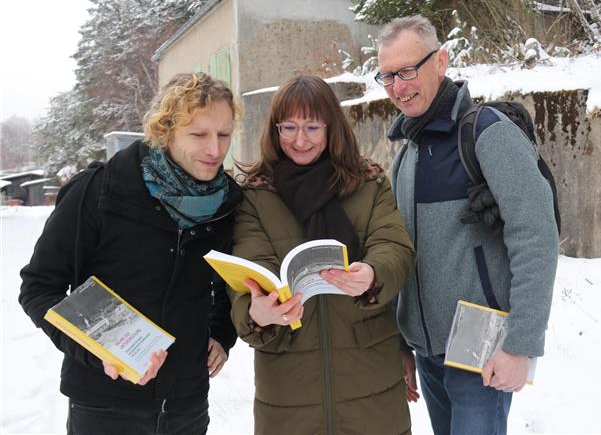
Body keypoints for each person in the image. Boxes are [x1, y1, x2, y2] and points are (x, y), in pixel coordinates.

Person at [19, 72, 242, 435]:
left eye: (224, 134)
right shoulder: (98, 191)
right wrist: (97, 352)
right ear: (165, 130)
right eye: (198, 134)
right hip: (104, 405)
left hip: (187, 406)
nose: (215, 150)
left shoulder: (225, 204)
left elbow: (225, 284)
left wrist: (221, 332)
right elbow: (39, 288)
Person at [376, 15, 560, 435]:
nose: (398, 88)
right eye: (387, 77)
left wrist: (521, 345)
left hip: (482, 351)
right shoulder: (407, 154)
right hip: (429, 353)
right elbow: (401, 253)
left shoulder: (487, 133)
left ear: (441, 61)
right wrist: (404, 343)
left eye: (407, 71)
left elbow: (536, 235)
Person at [228, 74, 415, 435]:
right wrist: (256, 311)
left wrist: (373, 274)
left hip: (371, 387)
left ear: (332, 127)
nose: (300, 140)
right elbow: (251, 270)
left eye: (312, 127)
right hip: (289, 394)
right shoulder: (256, 197)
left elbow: (395, 248)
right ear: (274, 129)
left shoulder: (368, 185)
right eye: (289, 127)